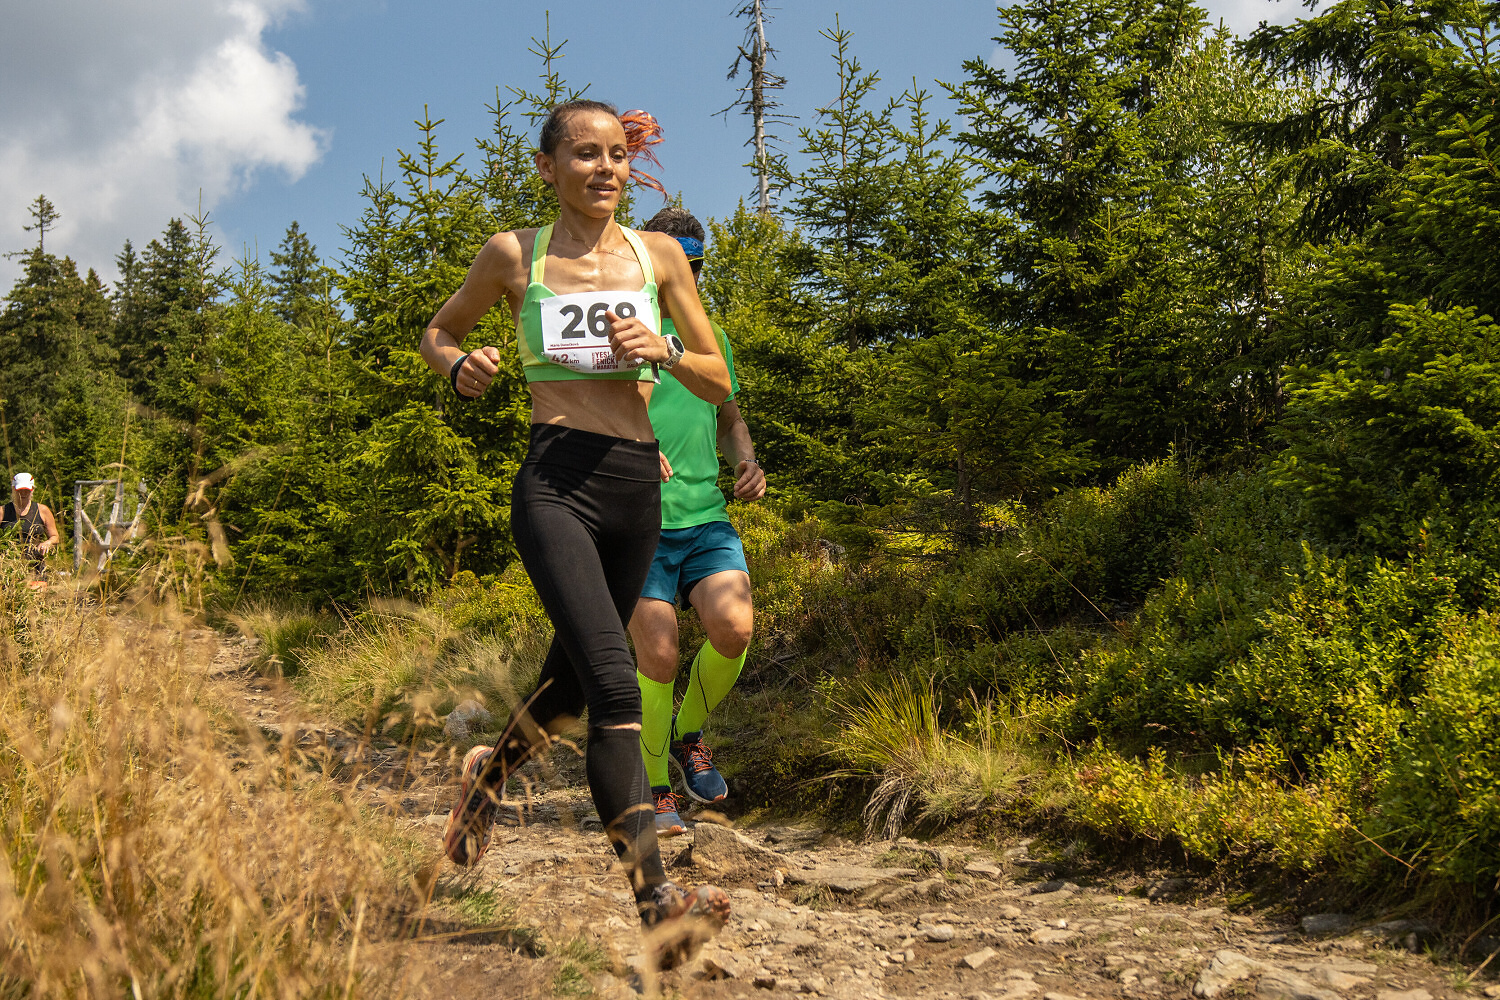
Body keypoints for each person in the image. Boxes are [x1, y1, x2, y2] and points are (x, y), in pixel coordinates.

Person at [419, 100, 732, 966]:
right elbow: (438, 330)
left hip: (636, 490)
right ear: (547, 167)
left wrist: (665, 351)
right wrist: (461, 365)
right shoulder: (513, 255)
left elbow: (717, 378)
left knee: (566, 689)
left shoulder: (659, 256)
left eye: (618, 155)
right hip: (556, 483)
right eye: (586, 154)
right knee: (617, 689)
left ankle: (484, 782)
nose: (606, 169)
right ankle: (659, 907)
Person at [627, 208, 765, 837]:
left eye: (697, 266)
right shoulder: (620, 331)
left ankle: (688, 737)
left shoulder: (712, 339)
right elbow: (586, 414)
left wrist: (747, 461)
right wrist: (630, 448)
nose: (687, 276)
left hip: (706, 518)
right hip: (639, 521)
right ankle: (655, 787)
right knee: (658, 655)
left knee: (734, 629)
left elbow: (729, 417)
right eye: (677, 264)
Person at [2, 473, 60, 580]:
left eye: (27, 490)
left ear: (32, 489)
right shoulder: (3, 511)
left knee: (37, 590)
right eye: (20, 490)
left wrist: (47, 543)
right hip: (8, 567)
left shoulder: (42, 510)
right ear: (13, 489)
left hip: (35, 566)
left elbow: (55, 536)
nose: (23, 493)